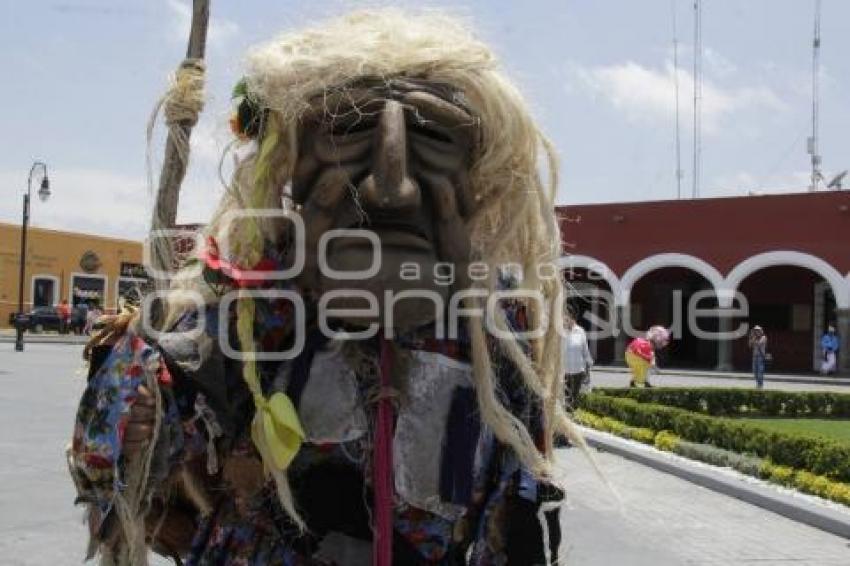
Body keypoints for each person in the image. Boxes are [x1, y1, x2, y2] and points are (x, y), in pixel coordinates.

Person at [67, 10, 572, 565]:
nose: (392, 186)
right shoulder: (249, 311)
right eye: (350, 129)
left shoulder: (494, 325)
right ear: (290, 164)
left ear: (474, 177)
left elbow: (519, 500)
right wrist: (134, 412)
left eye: (431, 136)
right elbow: (121, 468)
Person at [561, 306, 593, 409]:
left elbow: (585, 350)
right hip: (565, 371)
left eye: (566, 318)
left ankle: (574, 416)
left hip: (578, 371)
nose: (564, 320)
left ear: (572, 317)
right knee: (566, 398)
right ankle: (568, 418)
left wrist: (589, 364)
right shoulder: (561, 332)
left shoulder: (580, 331)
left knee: (575, 397)